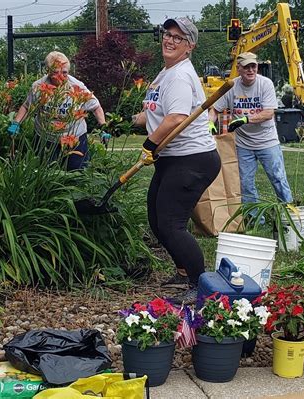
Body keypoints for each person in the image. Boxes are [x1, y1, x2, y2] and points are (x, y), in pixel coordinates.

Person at [132, 17, 221, 304]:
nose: (169, 40)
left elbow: (176, 118)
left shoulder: (181, 75)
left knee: (171, 223)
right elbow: (159, 111)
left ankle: (200, 283)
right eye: (167, 34)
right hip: (171, 157)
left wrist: (149, 144)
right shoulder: (166, 72)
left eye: (177, 37)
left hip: (192, 159)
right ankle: (184, 271)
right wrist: (136, 119)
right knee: (156, 220)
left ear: (190, 46)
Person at [209, 52, 293, 209]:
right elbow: (214, 109)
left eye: (253, 66)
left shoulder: (265, 84)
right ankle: (253, 217)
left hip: (267, 142)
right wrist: (209, 124)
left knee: (278, 178)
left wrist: (246, 119)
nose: (250, 70)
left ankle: (288, 212)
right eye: (246, 67)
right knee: (245, 182)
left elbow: (269, 113)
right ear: (239, 68)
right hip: (243, 145)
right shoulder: (232, 87)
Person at [7, 51, 107, 171]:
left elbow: (95, 106)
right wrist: (16, 123)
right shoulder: (38, 86)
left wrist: (103, 127)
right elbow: (27, 106)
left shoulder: (77, 86)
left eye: (64, 72)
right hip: (45, 136)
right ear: (48, 71)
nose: (60, 76)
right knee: (46, 172)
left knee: (77, 172)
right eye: (56, 72)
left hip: (74, 136)